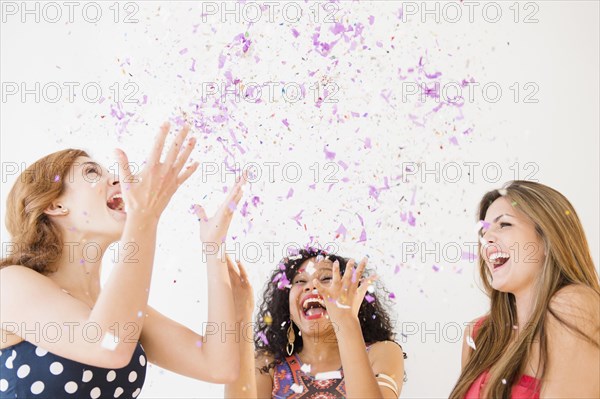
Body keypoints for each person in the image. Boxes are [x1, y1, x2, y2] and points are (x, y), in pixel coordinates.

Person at [0, 123, 244, 398]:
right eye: (92, 172)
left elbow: (217, 366)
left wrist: (213, 251)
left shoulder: (117, 308)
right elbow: (107, 345)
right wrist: (144, 217)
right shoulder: (9, 283)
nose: (117, 180)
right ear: (55, 205)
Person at [450, 180, 600, 398]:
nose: (487, 239)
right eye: (484, 232)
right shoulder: (479, 334)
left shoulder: (575, 305)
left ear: (548, 240)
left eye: (504, 225)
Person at [224, 247, 406, 398]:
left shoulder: (382, 352)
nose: (311, 286)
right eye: (300, 281)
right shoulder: (266, 362)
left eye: (326, 278)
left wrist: (346, 321)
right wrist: (240, 318)